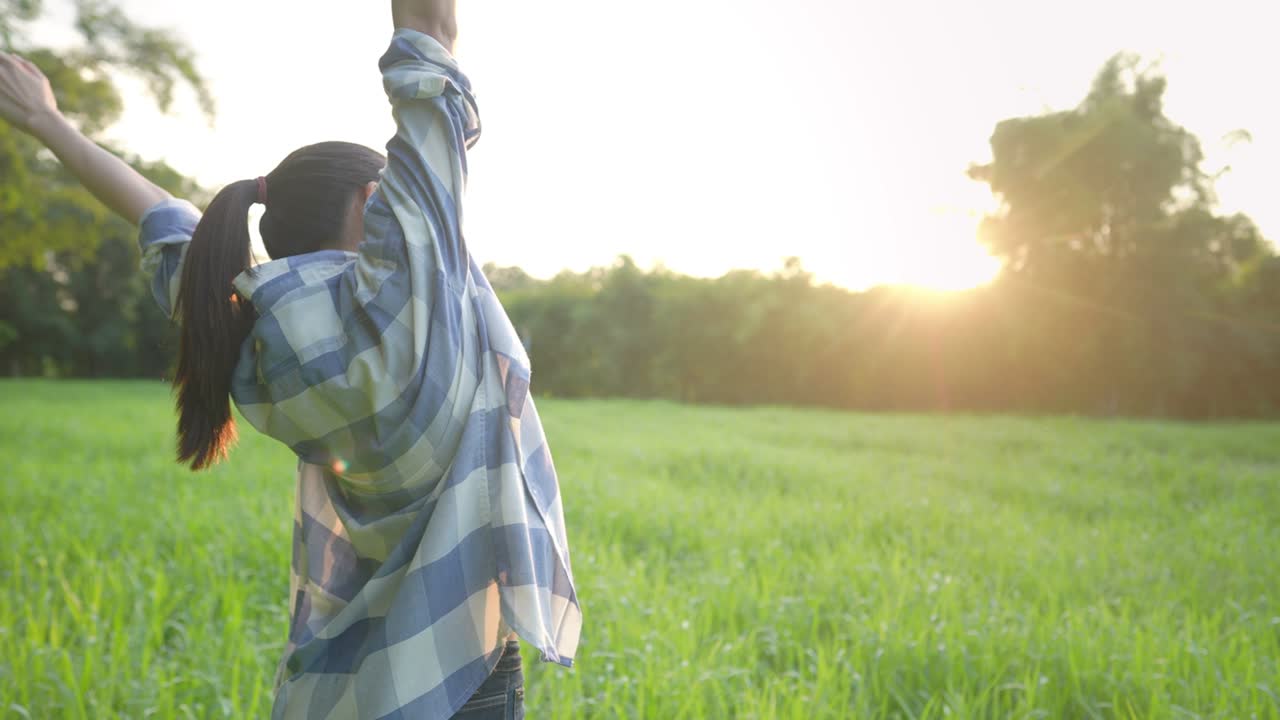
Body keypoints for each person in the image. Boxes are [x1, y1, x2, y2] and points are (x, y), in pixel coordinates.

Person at [0, 1, 581, 717]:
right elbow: (431, 31)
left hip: (350, 686)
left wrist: (49, 126)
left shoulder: (247, 330)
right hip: (460, 671)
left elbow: (161, 215)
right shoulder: (410, 298)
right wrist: (48, 120)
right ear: (376, 202)